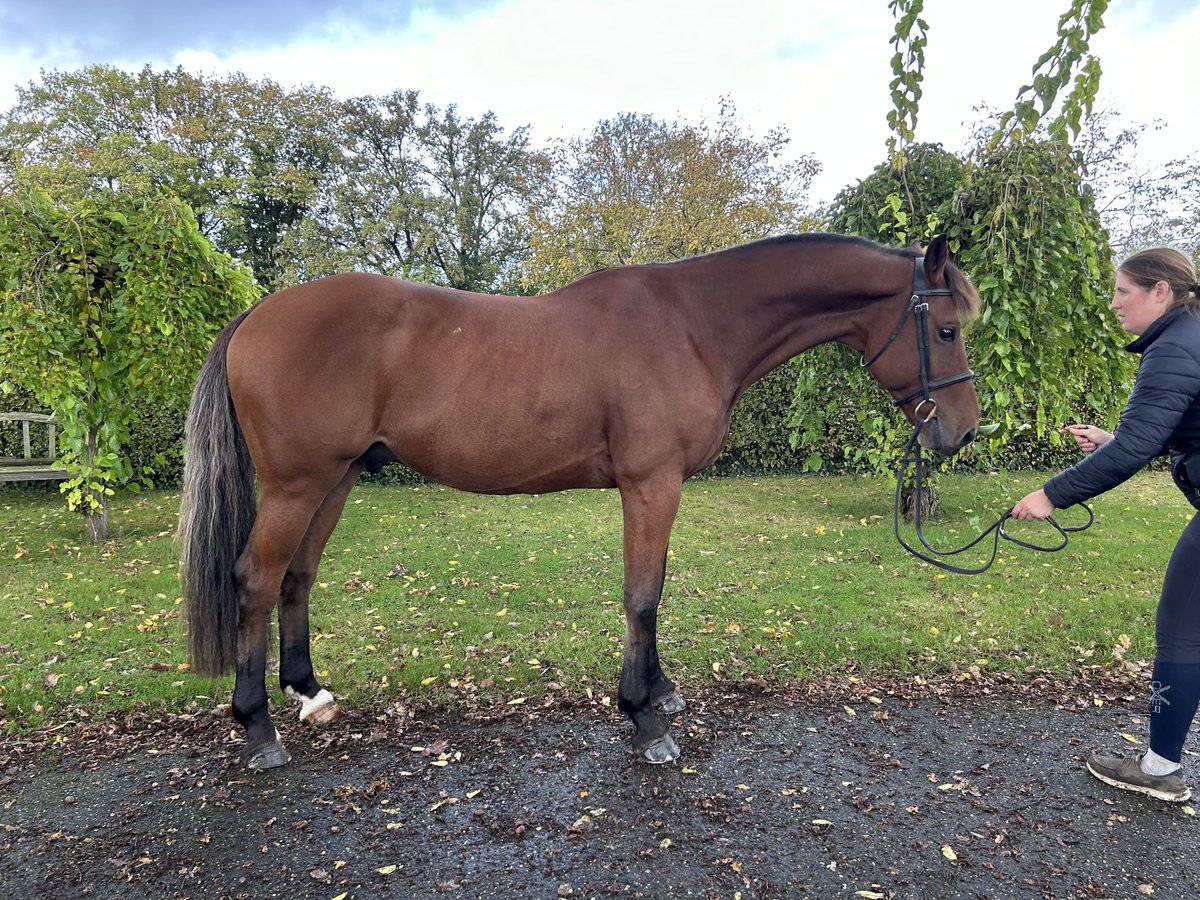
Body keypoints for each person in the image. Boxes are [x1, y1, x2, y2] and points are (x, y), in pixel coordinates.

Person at [1012, 247, 1200, 803]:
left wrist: (1051, 494)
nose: (1114, 303)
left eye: (1123, 291)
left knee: (1183, 631)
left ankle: (1161, 769)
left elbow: (1145, 443)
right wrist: (1114, 442)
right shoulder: (1190, 335)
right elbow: (1178, 429)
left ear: (1159, 291)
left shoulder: (1174, 346)